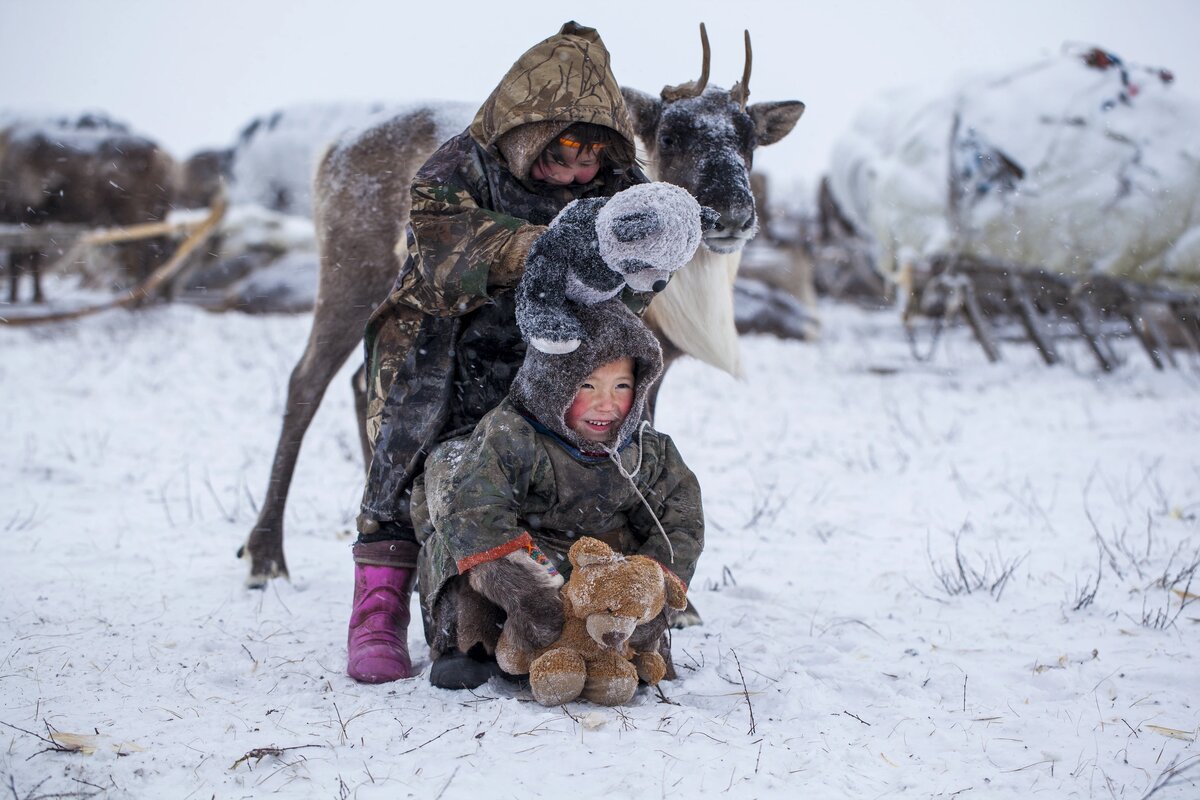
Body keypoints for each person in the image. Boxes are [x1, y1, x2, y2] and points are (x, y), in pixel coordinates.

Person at [347, 22, 654, 684]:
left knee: (557, 481)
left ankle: (567, 615)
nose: (573, 173)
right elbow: (438, 251)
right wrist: (542, 247)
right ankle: (390, 614)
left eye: (588, 162)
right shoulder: (457, 166)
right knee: (414, 476)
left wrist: (637, 266)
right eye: (558, 154)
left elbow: (637, 278)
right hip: (441, 347)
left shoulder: (621, 187)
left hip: (550, 360)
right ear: (525, 130)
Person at [410, 300, 705, 688]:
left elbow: (680, 522)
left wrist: (645, 590)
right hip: (521, 563)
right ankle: (468, 646)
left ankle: (613, 649)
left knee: (627, 605)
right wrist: (530, 595)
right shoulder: (511, 434)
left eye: (622, 386)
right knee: (463, 550)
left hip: (597, 577)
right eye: (587, 386)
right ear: (554, 384)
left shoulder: (647, 452)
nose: (606, 403)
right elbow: (477, 511)